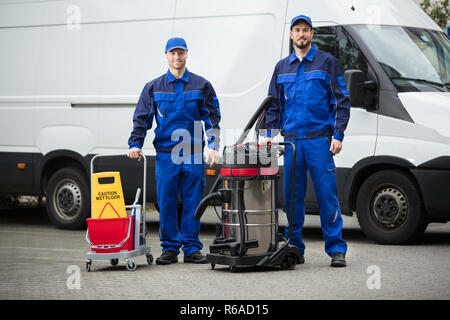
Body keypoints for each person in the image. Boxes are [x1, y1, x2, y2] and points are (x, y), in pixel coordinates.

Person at [264, 15, 350, 267]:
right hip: (291, 143)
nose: (301, 34)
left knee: (327, 195)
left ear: (312, 34)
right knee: (292, 198)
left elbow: (341, 101)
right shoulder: (281, 68)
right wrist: (270, 137)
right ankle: (294, 247)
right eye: (297, 30)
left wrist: (338, 135)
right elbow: (273, 105)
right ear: (291, 35)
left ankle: (336, 249)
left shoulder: (327, 63)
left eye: (305, 30)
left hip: (319, 142)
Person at [128, 37, 221, 265]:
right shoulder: (153, 87)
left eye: (180, 53)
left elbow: (212, 117)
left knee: (193, 199)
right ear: (166, 56)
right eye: (172, 53)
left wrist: (213, 146)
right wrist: (135, 143)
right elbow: (142, 118)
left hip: (192, 150)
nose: (177, 57)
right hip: (166, 152)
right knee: (166, 200)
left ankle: (191, 248)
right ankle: (169, 248)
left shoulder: (201, 85)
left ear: (187, 54)